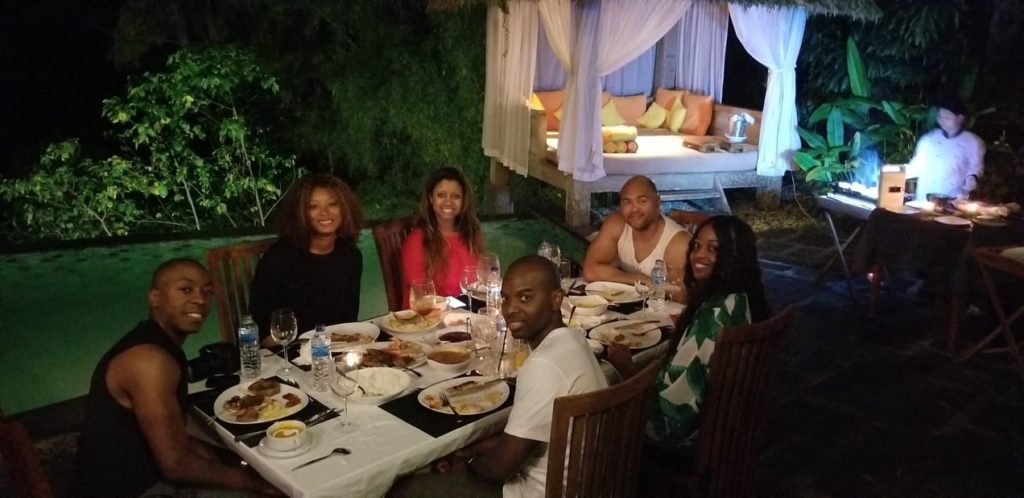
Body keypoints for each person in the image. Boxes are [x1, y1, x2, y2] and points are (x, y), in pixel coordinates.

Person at [388, 256, 608, 498]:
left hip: (536, 492)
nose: (510, 309)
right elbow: (530, 439)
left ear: (556, 299)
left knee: (403, 489)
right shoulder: (575, 341)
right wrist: (473, 448)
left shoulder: (544, 365)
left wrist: (468, 463)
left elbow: (499, 469)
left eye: (525, 298)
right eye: (506, 298)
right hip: (584, 482)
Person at [76, 258, 280, 497]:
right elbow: (176, 465)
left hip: (148, 472)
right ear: (155, 297)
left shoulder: (159, 344)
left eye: (207, 292)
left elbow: (178, 440)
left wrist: (238, 460)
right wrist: (254, 482)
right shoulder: (148, 361)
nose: (200, 299)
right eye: (186, 289)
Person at [608, 216, 769, 455]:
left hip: (683, 439)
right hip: (722, 427)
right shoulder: (739, 299)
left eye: (713, 249)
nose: (698, 255)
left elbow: (669, 419)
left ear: (735, 256)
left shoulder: (712, 318)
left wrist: (627, 370)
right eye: (696, 245)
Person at [249, 173, 364, 345]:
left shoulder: (351, 256)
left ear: (345, 209)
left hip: (335, 350)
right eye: (313, 206)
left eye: (333, 204)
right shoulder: (278, 259)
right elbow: (259, 329)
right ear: (301, 213)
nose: (324, 212)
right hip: (286, 354)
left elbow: (348, 320)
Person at [582, 175, 690, 300]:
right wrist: (642, 280)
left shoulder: (677, 242)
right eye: (627, 202)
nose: (634, 209)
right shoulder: (617, 223)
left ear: (657, 202)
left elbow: (679, 296)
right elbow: (591, 270)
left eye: (642, 201)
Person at [401, 167, 484, 306]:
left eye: (455, 196)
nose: (448, 202)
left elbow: (480, 282)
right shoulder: (416, 241)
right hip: (427, 317)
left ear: (463, 200)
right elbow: (420, 294)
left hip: (466, 311)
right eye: (441, 195)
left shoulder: (471, 235)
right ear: (430, 198)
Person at [906, 96, 985, 200]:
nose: (942, 121)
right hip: (923, 199)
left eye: (947, 117)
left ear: (960, 118)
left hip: (952, 200)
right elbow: (916, 166)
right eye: (939, 117)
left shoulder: (973, 142)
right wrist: (895, 172)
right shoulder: (928, 139)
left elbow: (975, 170)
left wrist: (970, 184)